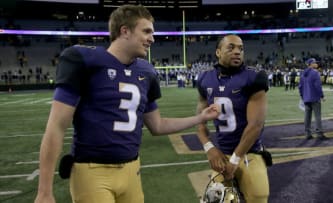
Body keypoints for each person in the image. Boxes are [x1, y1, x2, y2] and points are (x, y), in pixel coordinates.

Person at [34, 5, 220, 203]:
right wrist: (44, 191)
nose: (152, 38)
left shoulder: (146, 72)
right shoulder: (84, 60)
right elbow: (56, 126)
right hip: (92, 171)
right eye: (146, 31)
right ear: (125, 31)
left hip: (132, 170)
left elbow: (157, 126)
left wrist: (200, 117)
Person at [196, 34, 271, 203]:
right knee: (215, 199)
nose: (237, 52)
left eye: (241, 48)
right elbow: (200, 121)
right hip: (222, 155)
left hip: (249, 154)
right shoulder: (205, 79)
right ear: (218, 51)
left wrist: (236, 159)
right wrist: (210, 149)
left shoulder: (254, 77)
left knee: (258, 196)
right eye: (231, 47)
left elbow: (256, 125)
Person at [298, 58, 328, 140]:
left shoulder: (303, 73)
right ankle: (319, 133)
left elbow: (300, 87)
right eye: (315, 62)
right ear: (310, 64)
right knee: (317, 116)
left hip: (306, 98)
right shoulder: (315, 73)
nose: (316, 64)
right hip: (315, 97)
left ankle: (308, 133)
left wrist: (302, 96)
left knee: (307, 116)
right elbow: (318, 86)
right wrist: (322, 96)